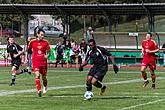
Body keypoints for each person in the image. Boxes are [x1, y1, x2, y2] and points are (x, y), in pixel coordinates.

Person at [25, 29, 50, 97]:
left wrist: (47, 55)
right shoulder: (32, 42)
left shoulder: (46, 42)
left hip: (43, 62)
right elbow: (27, 50)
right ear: (38, 34)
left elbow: (49, 52)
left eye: (43, 35)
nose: (42, 36)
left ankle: (45, 86)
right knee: (37, 75)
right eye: (41, 35)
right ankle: (39, 90)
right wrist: (26, 59)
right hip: (35, 61)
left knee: (44, 78)